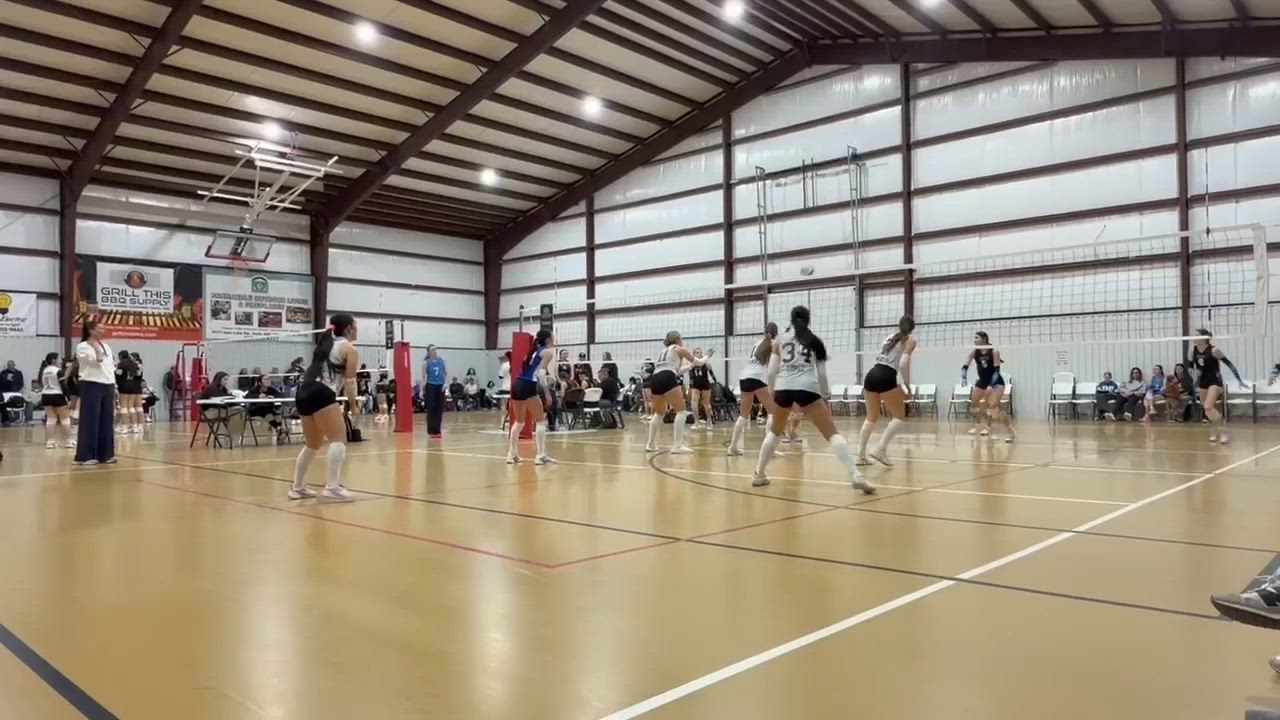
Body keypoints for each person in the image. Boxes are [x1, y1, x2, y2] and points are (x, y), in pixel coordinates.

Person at [752, 306, 874, 494]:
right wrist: (825, 395)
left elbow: (771, 371)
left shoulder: (779, 341)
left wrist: (771, 392)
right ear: (808, 320)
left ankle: (759, 475)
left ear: (792, 320)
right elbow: (822, 374)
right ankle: (856, 475)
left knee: (774, 432)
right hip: (807, 387)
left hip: (783, 388)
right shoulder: (815, 341)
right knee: (832, 434)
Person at [288, 313, 359, 501]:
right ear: (349, 328)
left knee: (313, 444)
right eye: (355, 326)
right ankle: (333, 487)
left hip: (303, 392)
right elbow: (350, 381)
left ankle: (297, 488)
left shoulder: (325, 345)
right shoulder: (349, 349)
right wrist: (353, 406)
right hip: (322, 392)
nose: (357, 330)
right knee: (338, 439)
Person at [857, 315, 916, 466]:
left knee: (871, 417)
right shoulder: (910, 341)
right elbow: (903, 363)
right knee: (899, 416)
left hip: (872, 374)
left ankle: (861, 456)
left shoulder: (889, 337)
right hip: (886, 376)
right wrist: (906, 384)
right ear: (912, 329)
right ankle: (880, 449)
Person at [645, 331, 713, 455]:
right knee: (681, 411)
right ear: (677, 339)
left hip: (655, 378)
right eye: (681, 338)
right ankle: (677, 445)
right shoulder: (679, 349)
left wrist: (690, 366)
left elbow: (677, 371)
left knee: (659, 413)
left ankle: (650, 444)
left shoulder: (663, 352)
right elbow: (700, 362)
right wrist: (707, 356)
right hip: (667, 377)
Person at [506, 329, 557, 465]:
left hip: (517, 384)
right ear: (548, 339)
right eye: (553, 337)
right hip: (528, 385)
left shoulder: (533, 351)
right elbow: (540, 374)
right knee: (540, 421)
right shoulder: (548, 352)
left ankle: (512, 454)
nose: (554, 339)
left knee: (519, 422)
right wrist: (547, 393)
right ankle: (540, 455)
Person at [729, 323, 779, 456]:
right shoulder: (773, 344)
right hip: (757, 378)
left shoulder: (758, 343)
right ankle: (770, 449)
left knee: (743, 415)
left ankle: (732, 447)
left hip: (744, 377)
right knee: (772, 412)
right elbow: (772, 367)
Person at [73, 319, 117, 466]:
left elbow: (110, 366)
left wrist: (113, 384)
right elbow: (97, 360)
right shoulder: (82, 347)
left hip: (108, 384)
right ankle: (85, 455)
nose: (102, 331)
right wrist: (95, 346)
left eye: (103, 328)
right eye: (99, 328)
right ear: (91, 330)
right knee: (90, 420)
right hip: (91, 384)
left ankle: (105, 454)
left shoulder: (107, 347)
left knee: (107, 419)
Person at [1190, 329, 1245, 444]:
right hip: (1203, 381)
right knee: (1207, 410)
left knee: (1208, 406)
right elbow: (1191, 366)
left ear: (1204, 337)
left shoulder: (1214, 350)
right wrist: (1194, 376)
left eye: (1196, 335)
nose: (1193, 337)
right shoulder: (1192, 350)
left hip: (1215, 380)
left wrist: (1239, 380)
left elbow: (1229, 364)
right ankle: (1213, 431)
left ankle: (1224, 432)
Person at [962, 331, 1014, 442]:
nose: (974, 340)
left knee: (993, 406)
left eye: (977, 338)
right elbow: (965, 366)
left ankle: (1010, 431)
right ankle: (980, 425)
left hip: (996, 383)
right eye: (974, 338)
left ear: (984, 339)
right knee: (974, 402)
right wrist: (964, 377)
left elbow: (996, 371)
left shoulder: (994, 352)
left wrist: (991, 385)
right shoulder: (974, 352)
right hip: (982, 382)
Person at [39, 353, 72, 450]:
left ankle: (50, 441)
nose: (61, 360)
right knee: (65, 419)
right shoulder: (58, 371)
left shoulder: (44, 370)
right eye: (59, 358)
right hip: (57, 395)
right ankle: (69, 440)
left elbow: (42, 383)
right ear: (54, 360)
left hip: (45, 395)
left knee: (51, 419)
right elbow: (63, 386)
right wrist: (69, 398)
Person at [687, 348, 717, 430]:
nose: (699, 354)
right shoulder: (692, 365)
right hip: (695, 386)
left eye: (700, 352)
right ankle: (696, 422)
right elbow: (691, 377)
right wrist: (690, 387)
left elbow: (712, 375)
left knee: (706, 404)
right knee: (694, 403)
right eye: (697, 352)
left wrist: (715, 382)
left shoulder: (706, 364)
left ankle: (709, 421)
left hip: (705, 385)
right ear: (694, 355)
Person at [115, 350, 143, 434]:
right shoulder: (135, 364)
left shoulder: (121, 364)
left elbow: (118, 375)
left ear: (121, 356)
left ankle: (124, 427)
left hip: (124, 386)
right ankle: (135, 427)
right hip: (134, 387)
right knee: (132, 407)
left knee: (123, 407)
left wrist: (115, 373)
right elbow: (138, 375)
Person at [423, 345, 446, 438]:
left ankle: (438, 430)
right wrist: (423, 388)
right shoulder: (426, 362)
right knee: (431, 409)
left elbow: (445, 372)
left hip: (440, 386)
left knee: (439, 409)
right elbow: (424, 376)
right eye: (432, 350)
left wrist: (445, 384)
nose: (435, 351)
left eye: (435, 349)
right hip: (431, 385)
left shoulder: (441, 360)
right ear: (428, 352)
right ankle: (431, 431)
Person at [61, 356, 79, 421]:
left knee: (75, 404)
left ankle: (72, 417)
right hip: (72, 386)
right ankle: (68, 416)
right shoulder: (71, 367)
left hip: (76, 386)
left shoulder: (79, 367)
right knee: (72, 404)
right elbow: (66, 378)